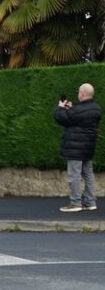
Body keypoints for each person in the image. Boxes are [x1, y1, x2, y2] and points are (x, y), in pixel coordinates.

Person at [54, 83, 100, 212]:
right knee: (88, 174)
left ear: (82, 94)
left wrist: (60, 108)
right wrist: (71, 108)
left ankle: (75, 203)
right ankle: (90, 202)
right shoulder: (96, 108)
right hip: (88, 147)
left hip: (75, 147)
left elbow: (62, 118)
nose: (78, 94)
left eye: (79, 92)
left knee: (74, 175)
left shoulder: (78, 110)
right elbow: (79, 117)